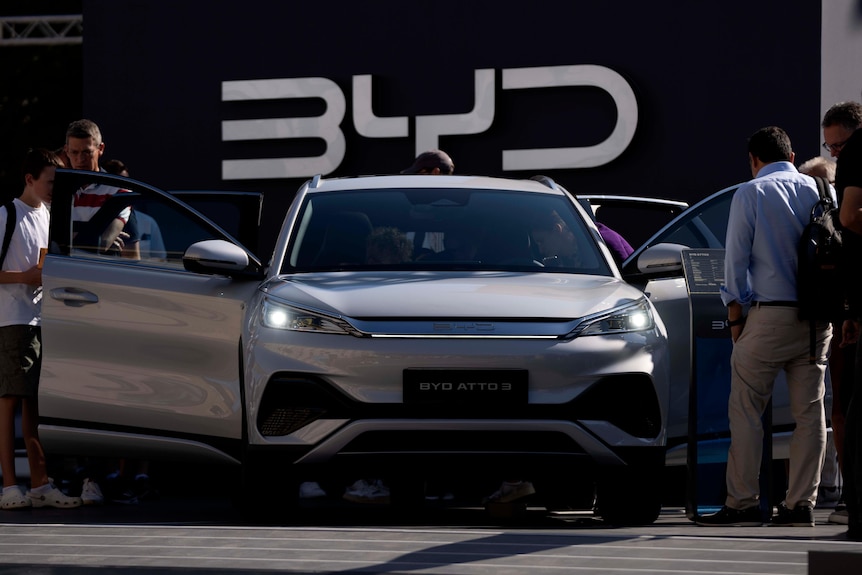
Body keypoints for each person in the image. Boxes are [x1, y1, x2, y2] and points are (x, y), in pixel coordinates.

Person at [696, 126, 830, 527]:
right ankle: (800, 503)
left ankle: (743, 502)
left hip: (768, 316)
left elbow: (734, 261)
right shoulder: (823, 191)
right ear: (792, 156)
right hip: (816, 318)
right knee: (811, 412)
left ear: (754, 160)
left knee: (747, 410)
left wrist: (735, 318)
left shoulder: (751, 192)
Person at [0, 148, 82, 510]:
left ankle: (38, 482)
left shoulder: (48, 216)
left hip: (43, 319)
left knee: (33, 402)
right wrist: (26, 277)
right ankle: (9, 485)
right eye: (50, 181)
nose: (54, 188)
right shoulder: (6, 215)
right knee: (10, 403)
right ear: (30, 178)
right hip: (14, 320)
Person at [820, 102, 862, 529]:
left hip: (850, 314)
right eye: (831, 148)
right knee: (842, 411)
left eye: (842, 146)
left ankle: (854, 501)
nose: (837, 156)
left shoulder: (852, 171)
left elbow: (849, 221)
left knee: (847, 412)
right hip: (847, 313)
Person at [797, 155, 842, 510]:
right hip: (825, 322)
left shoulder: (824, 226)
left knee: (823, 409)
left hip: (825, 324)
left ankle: (827, 489)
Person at [65, 119, 140, 259]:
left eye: (87, 152)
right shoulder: (55, 190)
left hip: (102, 276)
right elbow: (44, 240)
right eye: (74, 152)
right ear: (66, 151)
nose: (80, 159)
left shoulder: (119, 191)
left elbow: (131, 259)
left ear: (101, 149)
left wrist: (69, 238)